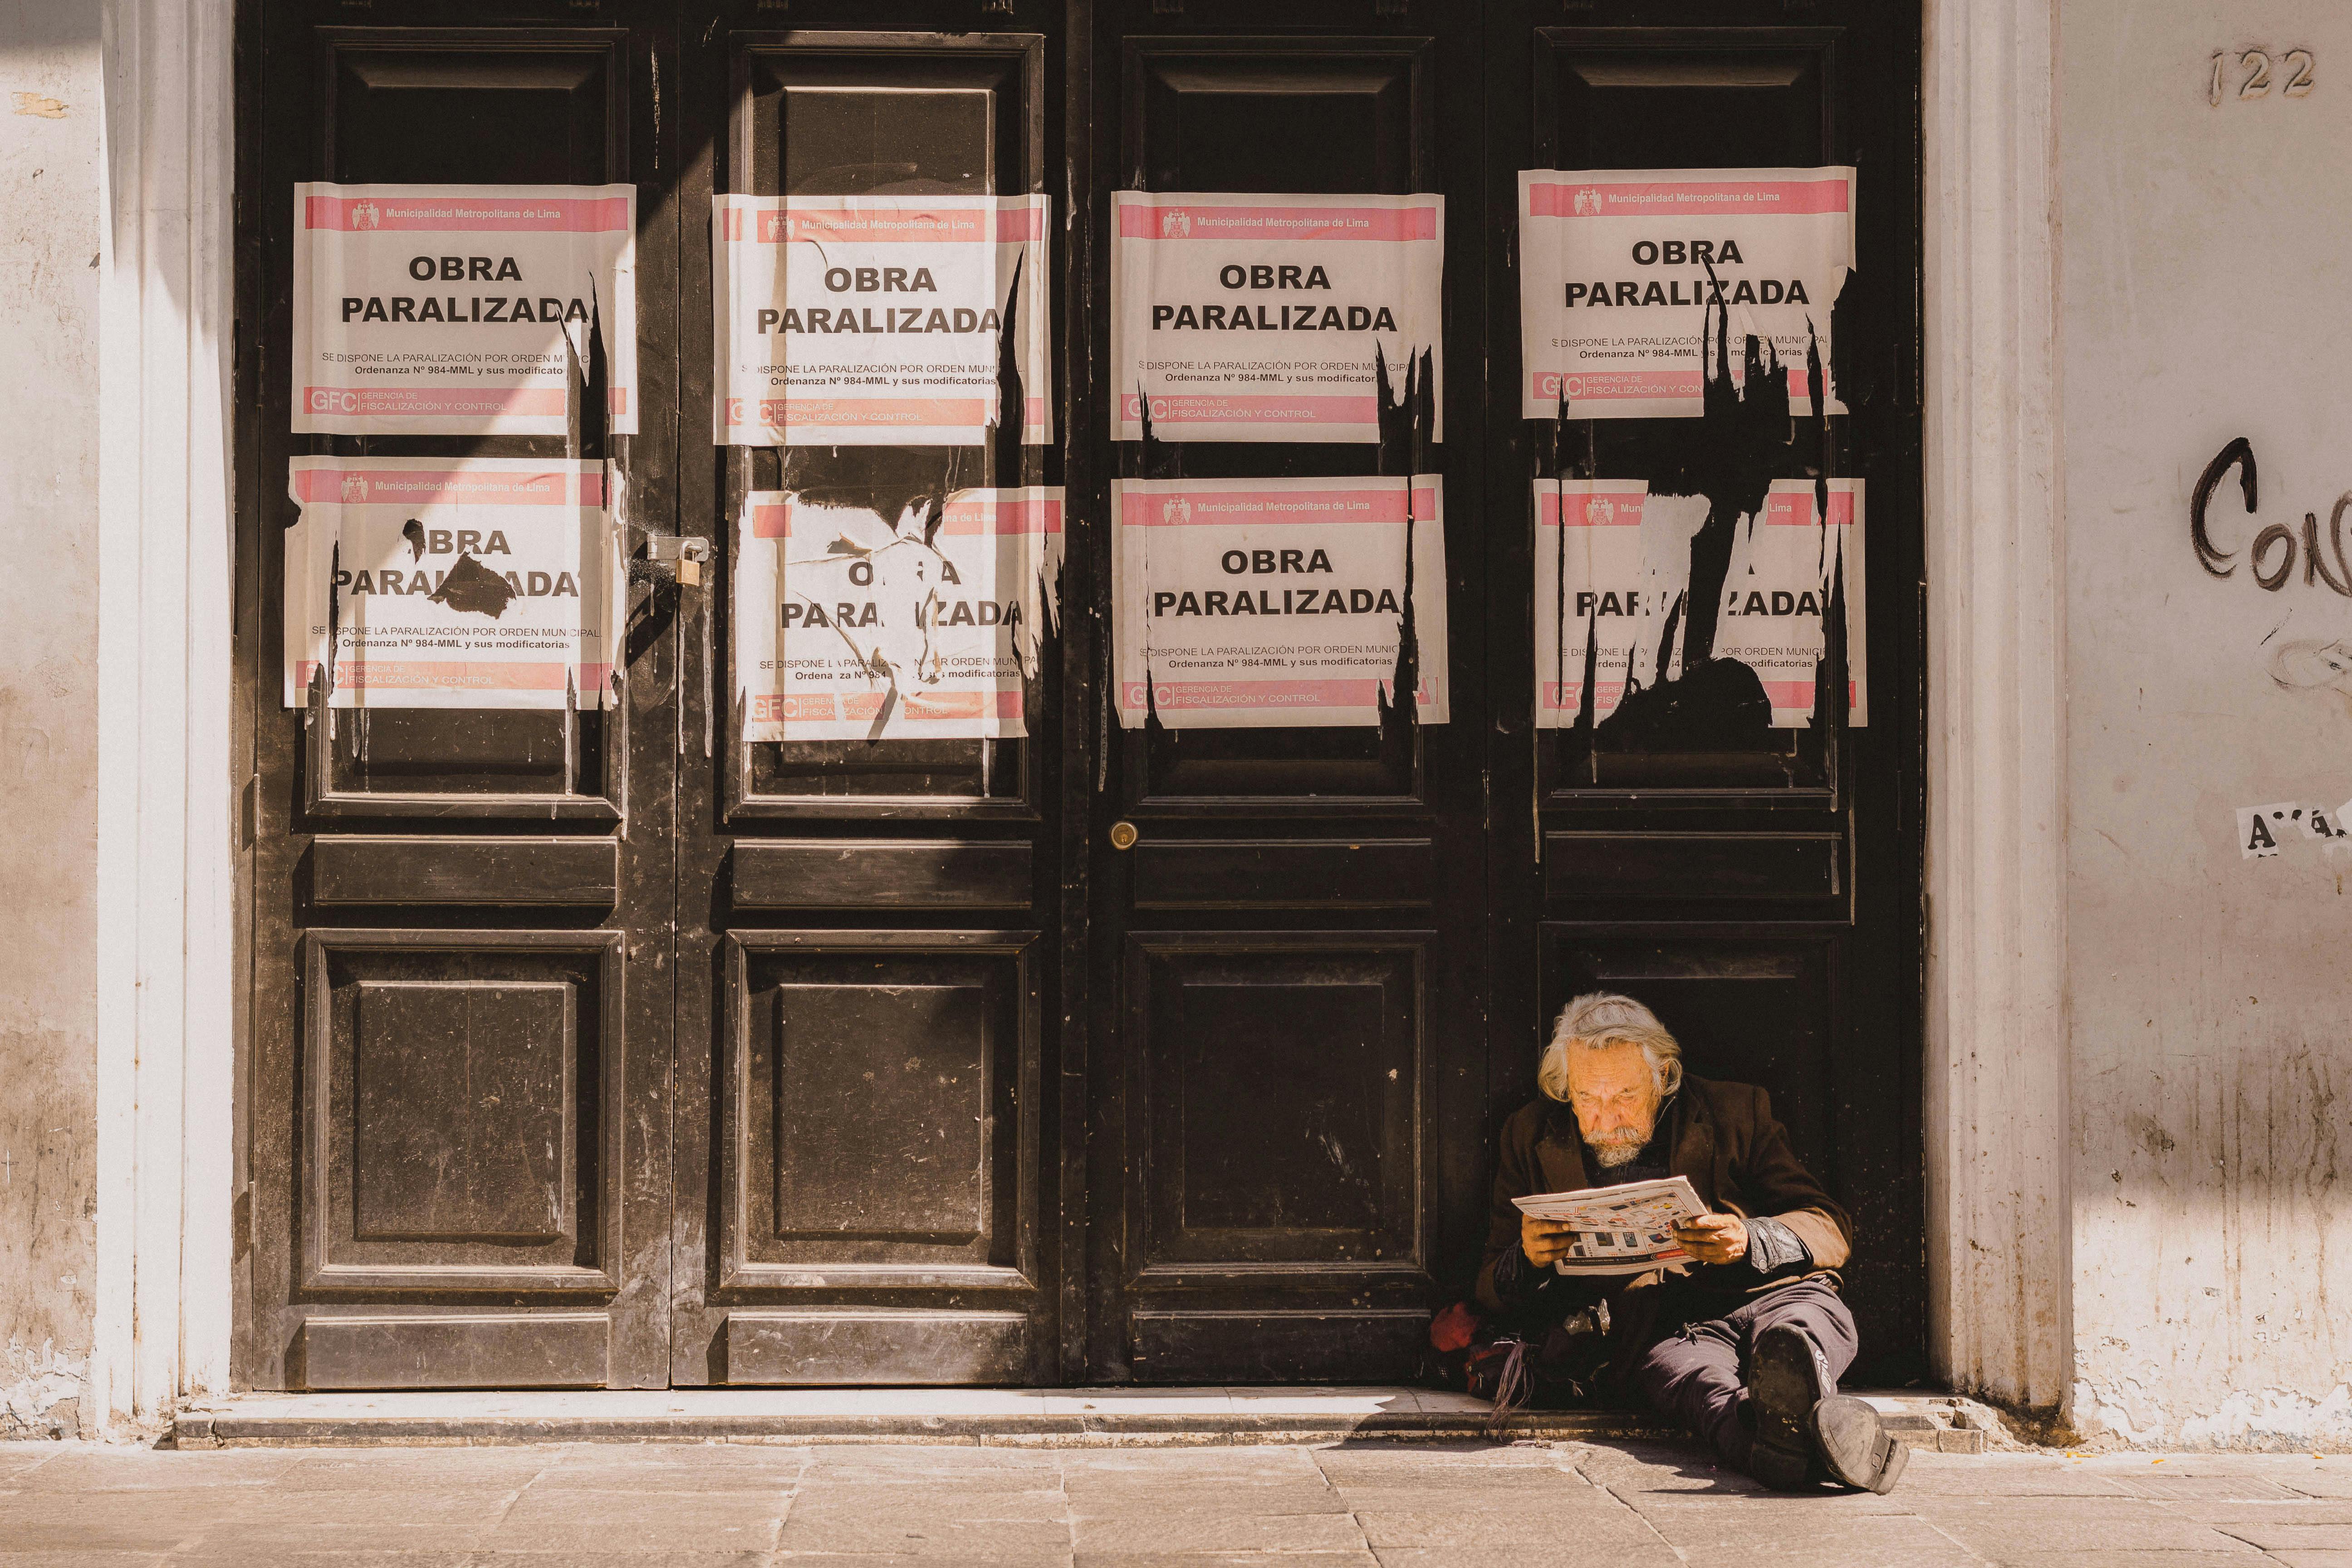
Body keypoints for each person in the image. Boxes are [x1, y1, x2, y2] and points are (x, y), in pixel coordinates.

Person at [1476, 991, 1907, 1493]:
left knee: (1799, 1333)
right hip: (1667, 1329)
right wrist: (1529, 1259)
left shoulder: (1736, 1111)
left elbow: (1828, 1224)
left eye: (1624, 1097)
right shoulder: (1529, 1135)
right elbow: (1488, 1283)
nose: (1606, 1120)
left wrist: (1748, 1238)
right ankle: (1808, 1442)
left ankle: (1790, 1417)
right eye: (1587, 1099)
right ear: (1565, 1089)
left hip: (1771, 1295)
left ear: (1662, 1078)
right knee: (1699, 1385)